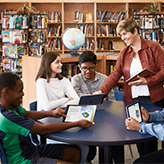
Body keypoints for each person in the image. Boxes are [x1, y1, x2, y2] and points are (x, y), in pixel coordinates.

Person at [94, 18, 164, 157]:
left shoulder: (153, 47)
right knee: (137, 134)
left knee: (149, 138)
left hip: (154, 98)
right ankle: (143, 160)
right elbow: (115, 74)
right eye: (120, 35)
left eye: (125, 34)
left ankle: (150, 160)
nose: (123, 38)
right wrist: (102, 91)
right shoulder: (124, 53)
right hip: (133, 100)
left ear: (135, 31)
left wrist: (147, 81)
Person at [0, 72, 94, 164]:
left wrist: (51, 113)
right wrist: (76, 123)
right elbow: (43, 129)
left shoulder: (11, 106)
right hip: (23, 160)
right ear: (6, 91)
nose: (23, 94)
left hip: (32, 150)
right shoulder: (6, 117)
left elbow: (28, 114)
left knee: (75, 153)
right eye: (20, 91)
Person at [35, 51, 89, 163]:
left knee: (84, 147)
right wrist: (65, 100)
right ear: (48, 64)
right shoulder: (41, 82)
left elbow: (76, 100)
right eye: (57, 62)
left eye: (61, 62)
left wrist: (58, 104)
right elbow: (47, 107)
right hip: (48, 123)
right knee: (73, 146)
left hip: (63, 117)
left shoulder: (63, 80)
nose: (61, 65)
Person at [71, 51, 124, 164]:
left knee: (116, 138)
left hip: (104, 116)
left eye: (91, 68)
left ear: (96, 66)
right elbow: (76, 99)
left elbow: (111, 100)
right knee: (90, 149)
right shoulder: (76, 79)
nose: (88, 71)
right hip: (84, 117)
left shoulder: (104, 79)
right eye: (84, 68)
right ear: (79, 67)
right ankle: (89, 157)